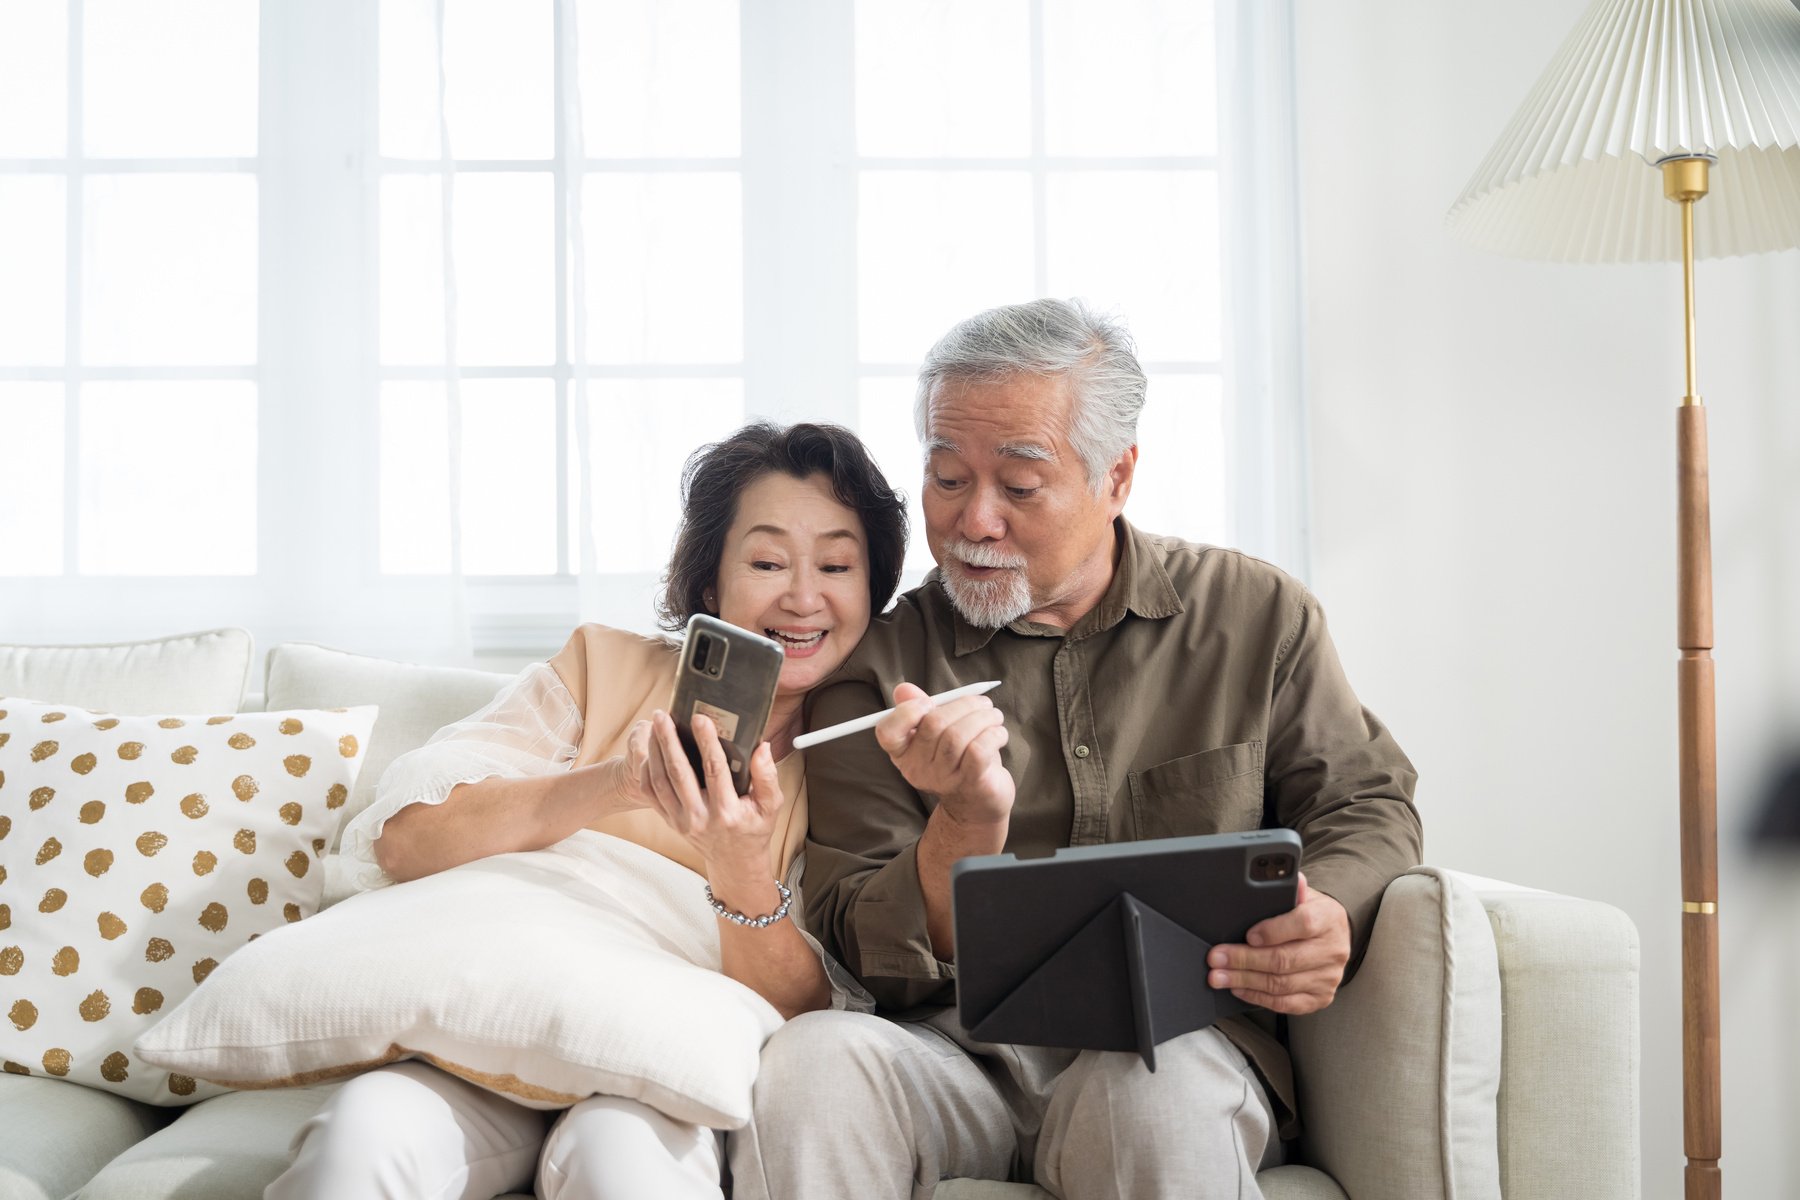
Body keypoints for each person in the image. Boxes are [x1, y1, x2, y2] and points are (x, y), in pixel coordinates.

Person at [728, 300, 1423, 1200]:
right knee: (816, 1061)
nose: (974, 520)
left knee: (1152, 1090)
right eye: (945, 478)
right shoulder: (880, 667)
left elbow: (1367, 802)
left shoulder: (1256, 617)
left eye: (1019, 487)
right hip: (955, 1060)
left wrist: (1327, 907)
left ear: (1117, 476)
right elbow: (858, 948)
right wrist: (963, 825)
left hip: (1181, 1045)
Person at [265, 422, 907, 1200]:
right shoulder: (601, 665)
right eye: (768, 562)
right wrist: (614, 785)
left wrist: (737, 864)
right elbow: (405, 840)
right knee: (364, 1139)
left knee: (623, 1162)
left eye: (836, 565)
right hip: (489, 1035)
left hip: (652, 1072)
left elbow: (809, 1012)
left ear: (872, 592)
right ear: (711, 584)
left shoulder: (863, 758)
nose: (803, 597)